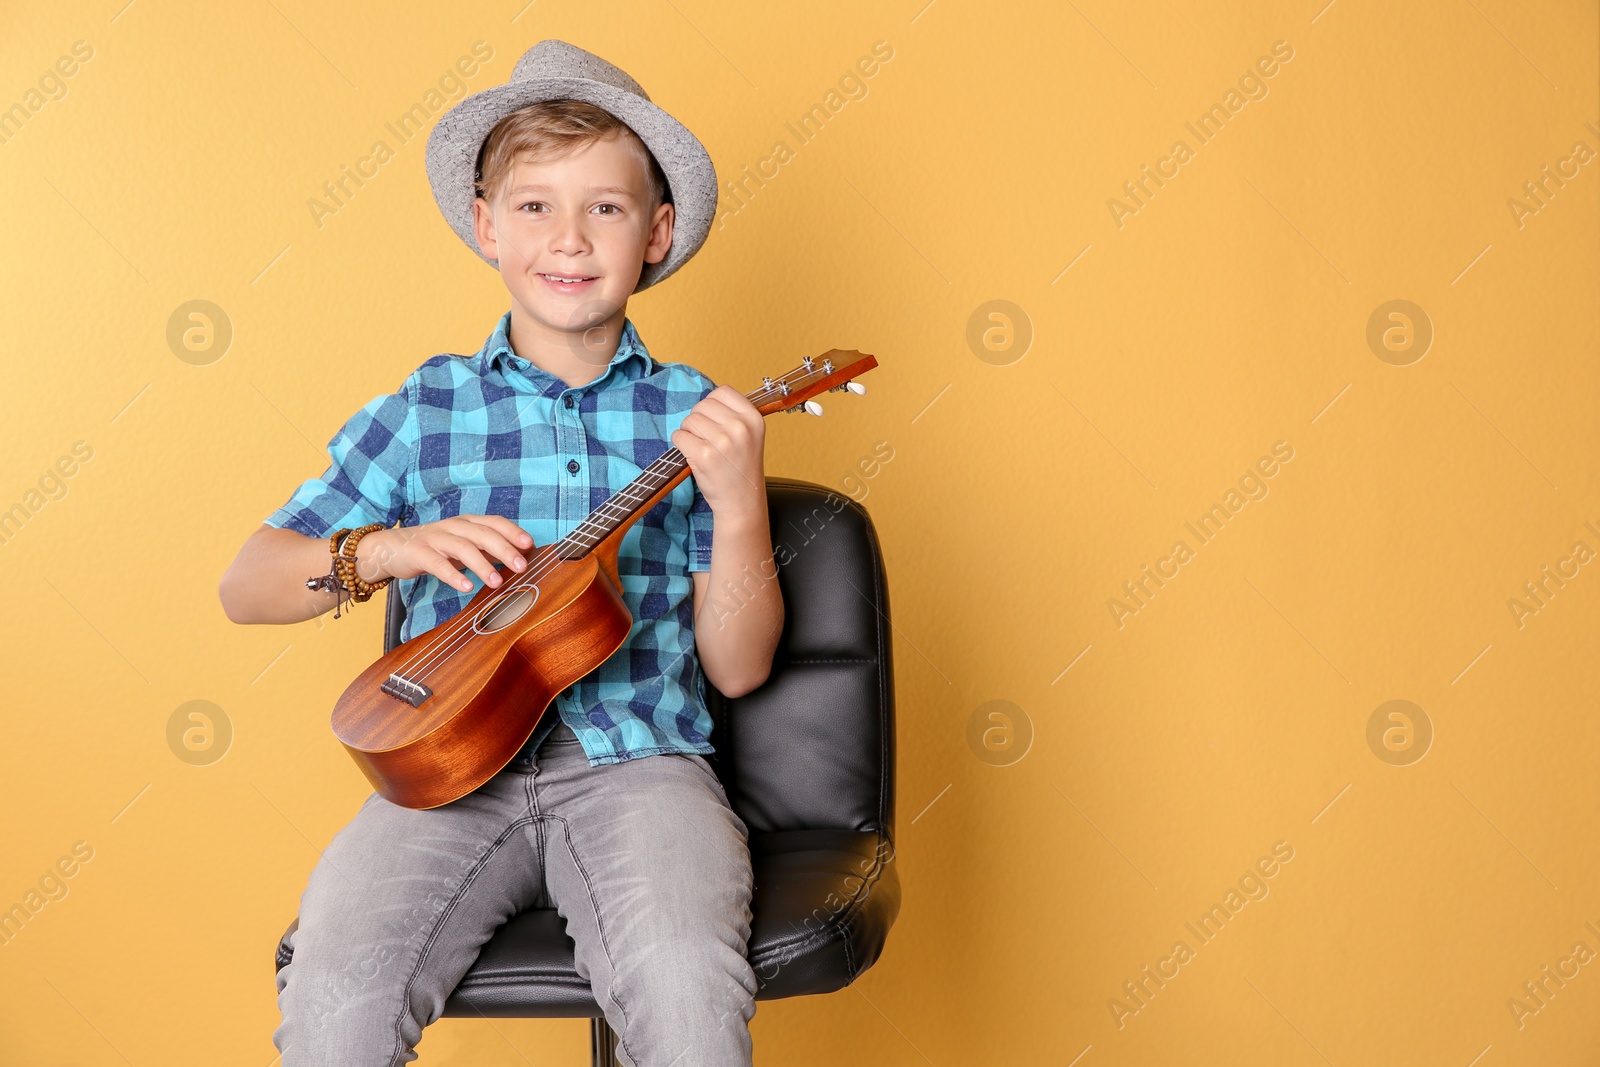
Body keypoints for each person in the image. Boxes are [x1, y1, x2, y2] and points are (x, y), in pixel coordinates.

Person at [218, 38, 783, 1066]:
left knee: (685, 986)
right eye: (534, 206)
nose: (568, 238)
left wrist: (739, 500)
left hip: (637, 763)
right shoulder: (424, 407)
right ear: (485, 225)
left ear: (655, 233)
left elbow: (740, 665)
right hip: (443, 771)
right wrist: (386, 549)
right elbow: (246, 585)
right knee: (331, 997)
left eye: (605, 208)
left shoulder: (695, 414)